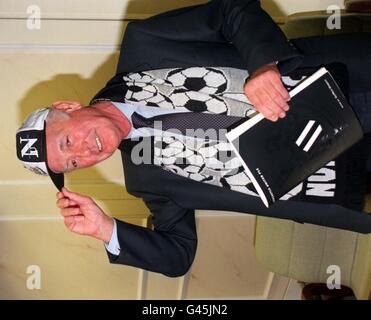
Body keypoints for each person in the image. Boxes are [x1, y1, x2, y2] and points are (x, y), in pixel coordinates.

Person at [16, 0, 371, 277]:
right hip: (344, 183)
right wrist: (105, 229)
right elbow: (178, 255)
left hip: (349, 86)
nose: (84, 153)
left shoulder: (146, 45)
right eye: (73, 163)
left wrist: (263, 65)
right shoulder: (145, 178)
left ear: (67, 106)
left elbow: (231, 9)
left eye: (67, 142)